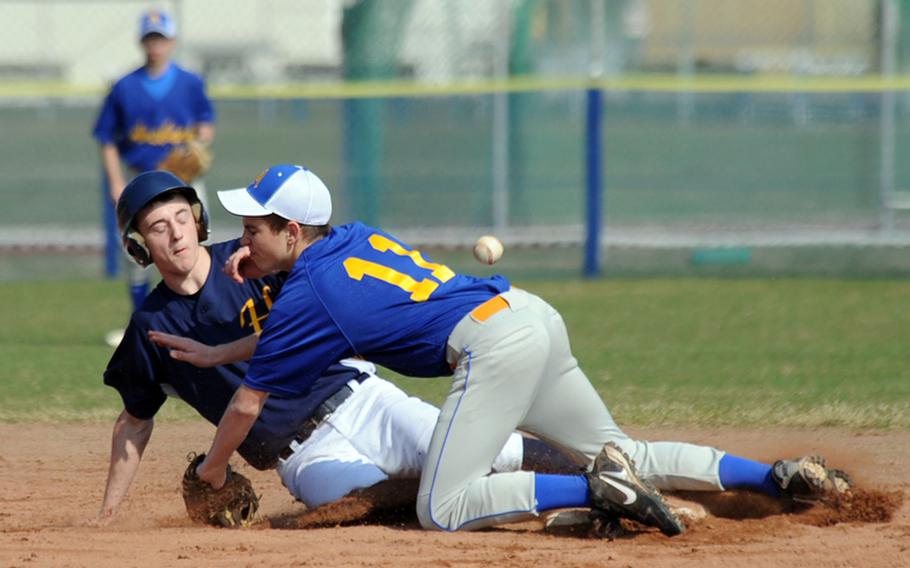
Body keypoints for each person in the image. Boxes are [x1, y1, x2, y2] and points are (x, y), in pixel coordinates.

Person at [190, 164, 851, 536]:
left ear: (293, 229)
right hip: (528, 316)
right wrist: (225, 345)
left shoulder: (309, 293)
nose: (243, 239)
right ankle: (780, 478)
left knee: (441, 508)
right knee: (631, 449)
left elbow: (251, 401)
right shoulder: (354, 238)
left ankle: (594, 490)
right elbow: (306, 320)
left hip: (491, 350)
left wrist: (214, 471)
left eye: (255, 227)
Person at [94, 170, 577, 525]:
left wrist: (213, 465)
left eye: (182, 217)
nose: (176, 233)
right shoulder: (149, 328)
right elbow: (135, 421)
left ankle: (599, 481)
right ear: (140, 246)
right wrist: (108, 514)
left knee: (489, 451)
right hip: (300, 456)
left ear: (199, 220)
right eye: (159, 226)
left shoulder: (260, 259)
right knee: (362, 504)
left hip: (363, 402)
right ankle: (537, 504)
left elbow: (326, 275)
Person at [92, 9, 215, 345]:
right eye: (149, 39)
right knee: (137, 252)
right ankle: (142, 326)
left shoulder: (190, 83)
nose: (155, 45)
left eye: (160, 38)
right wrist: (116, 181)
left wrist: (198, 144)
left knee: (195, 246)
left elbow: (205, 124)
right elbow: (106, 139)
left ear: (171, 41)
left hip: (183, 182)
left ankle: (201, 320)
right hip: (141, 180)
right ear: (141, 42)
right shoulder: (124, 87)